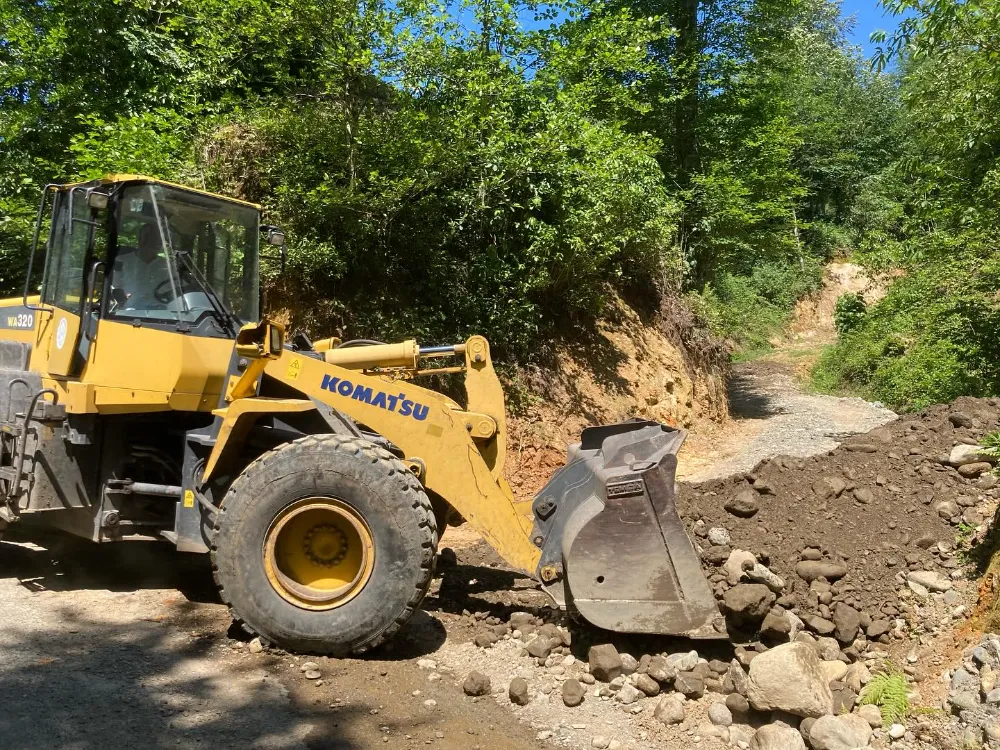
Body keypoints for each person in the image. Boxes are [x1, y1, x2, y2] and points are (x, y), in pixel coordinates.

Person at [114, 222, 174, 311]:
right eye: (151, 237)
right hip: (129, 312)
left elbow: (178, 290)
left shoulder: (168, 265)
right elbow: (113, 288)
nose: (157, 242)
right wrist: (121, 297)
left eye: (160, 239)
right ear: (140, 239)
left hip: (162, 313)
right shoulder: (121, 261)